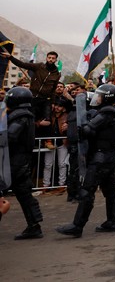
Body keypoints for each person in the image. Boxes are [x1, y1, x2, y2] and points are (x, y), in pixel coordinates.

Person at [56, 84, 115, 237]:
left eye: (100, 95)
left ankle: (77, 226)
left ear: (106, 97)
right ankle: (112, 221)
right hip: (108, 156)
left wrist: (83, 121)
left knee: (87, 191)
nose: (97, 98)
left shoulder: (106, 113)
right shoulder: (113, 112)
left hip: (100, 158)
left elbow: (88, 129)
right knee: (109, 191)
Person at [5, 87, 44, 239]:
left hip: (16, 160)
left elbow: (11, 136)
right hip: (19, 160)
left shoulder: (20, 116)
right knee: (24, 194)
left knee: (24, 194)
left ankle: (34, 226)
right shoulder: (24, 115)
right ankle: (34, 225)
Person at [1, 50, 60, 141]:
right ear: (46, 58)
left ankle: (47, 141)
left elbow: (53, 89)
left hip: (46, 99)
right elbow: (22, 64)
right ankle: (30, 139)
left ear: (56, 60)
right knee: (31, 119)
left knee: (47, 120)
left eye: (53, 58)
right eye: (49, 57)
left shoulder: (57, 74)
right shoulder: (39, 66)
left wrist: (52, 102)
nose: (51, 59)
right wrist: (10, 57)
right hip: (33, 97)